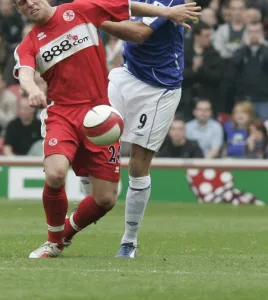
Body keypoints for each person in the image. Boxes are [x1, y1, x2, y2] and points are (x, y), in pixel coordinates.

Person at [13, 0, 201, 258]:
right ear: (19, 10)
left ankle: (75, 229)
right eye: (21, 3)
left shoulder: (79, 9)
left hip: (99, 111)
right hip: (62, 114)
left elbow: (129, 7)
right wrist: (33, 89)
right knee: (55, 174)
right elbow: (24, 71)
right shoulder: (29, 43)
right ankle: (53, 242)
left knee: (106, 200)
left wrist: (167, 12)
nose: (30, 4)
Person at [87, 0, 200, 258]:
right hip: (128, 73)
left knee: (138, 165)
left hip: (160, 87)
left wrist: (91, 17)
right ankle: (88, 199)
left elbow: (138, 34)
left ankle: (129, 240)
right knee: (90, 124)